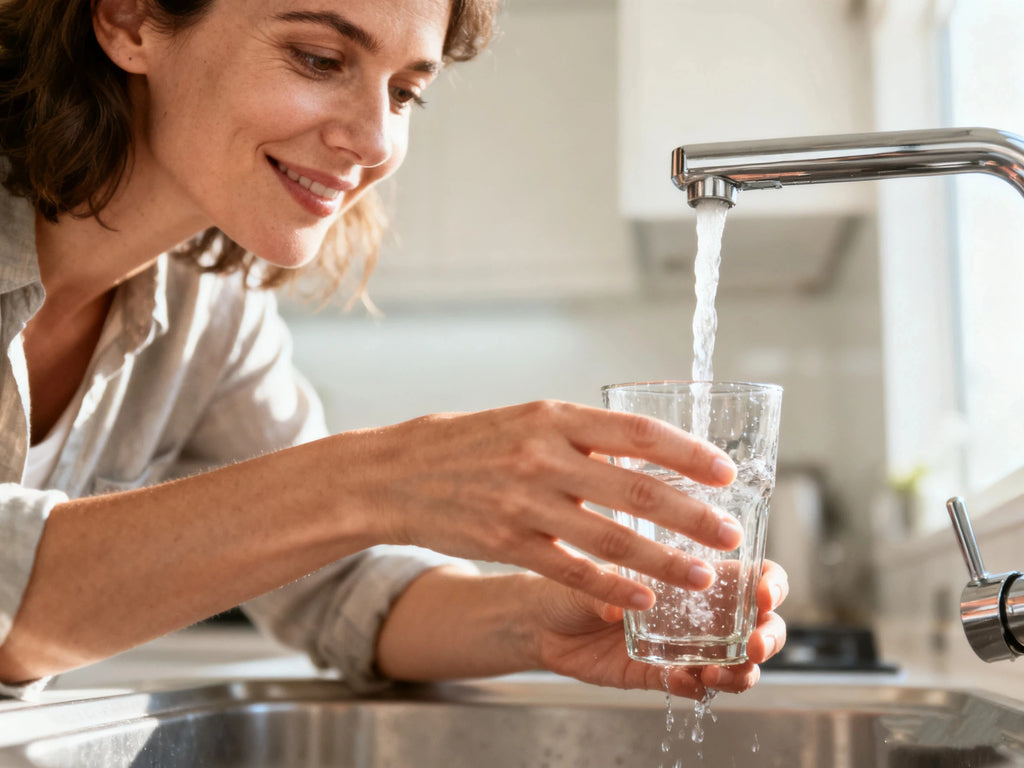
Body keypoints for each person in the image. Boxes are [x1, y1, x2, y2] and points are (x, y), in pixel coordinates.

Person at [0, 0, 787, 701]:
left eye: (406, 91)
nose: (375, 140)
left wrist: (538, 622)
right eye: (319, 58)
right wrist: (384, 477)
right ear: (130, 20)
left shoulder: (211, 314)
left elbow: (335, 583)